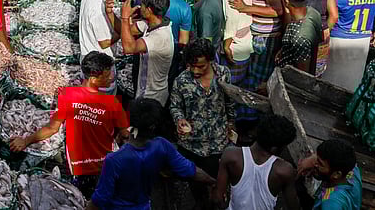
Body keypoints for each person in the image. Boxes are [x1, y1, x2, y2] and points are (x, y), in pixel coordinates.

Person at [9, 51, 128, 198]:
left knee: (78, 197)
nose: (111, 77)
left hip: (77, 166)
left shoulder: (67, 95)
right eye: (107, 74)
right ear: (94, 78)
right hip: (103, 165)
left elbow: (52, 128)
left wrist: (26, 141)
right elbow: (125, 134)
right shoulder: (113, 104)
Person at [89, 99, 215, 210]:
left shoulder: (114, 159)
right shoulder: (162, 146)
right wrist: (213, 182)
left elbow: (100, 199)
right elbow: (191, 171)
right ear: (154, 126)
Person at [170, 38, 237, 208]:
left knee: (218, 184)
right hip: (192, 146)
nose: (195, 70)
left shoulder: (224, 74)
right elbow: (175, 106)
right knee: (197, 186)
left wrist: (231, 124)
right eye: (192, 66)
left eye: (200, 66)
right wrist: (180, 120)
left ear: (210, 60)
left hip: (218, 143)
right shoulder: (181, 81)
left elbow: (230, 102)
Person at [211, 113, 299, 210]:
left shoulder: (231, 155)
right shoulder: (284, 170)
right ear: (274, 149)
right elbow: (293, 206)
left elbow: (217, 198)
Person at [120, 0, 175, 106]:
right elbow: (125, 31)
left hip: (153, 98)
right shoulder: (152, 23)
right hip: (144, 92)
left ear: (149, 10)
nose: (140, 8)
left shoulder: (160, 36)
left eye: (143, 6)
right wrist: (110, 12)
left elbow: (129, 48)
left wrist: (125, 18)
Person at [297, 139, 361, 210]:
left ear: (336, 174)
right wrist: (312, 159)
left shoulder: (331, 203)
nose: (315, 164)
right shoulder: (351, 171)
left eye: (320, 164)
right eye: (317, 160)